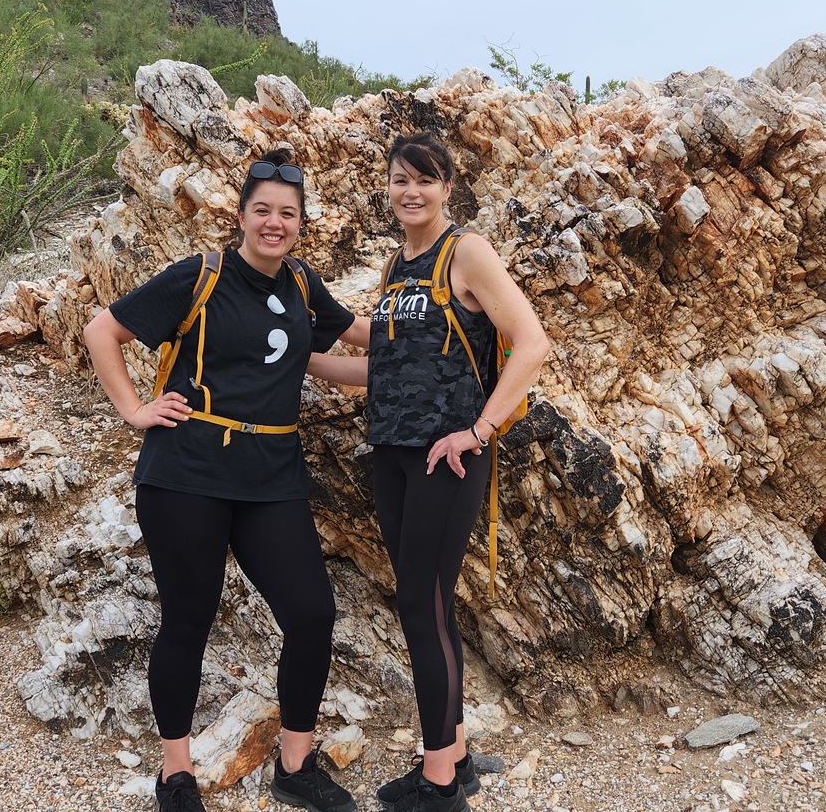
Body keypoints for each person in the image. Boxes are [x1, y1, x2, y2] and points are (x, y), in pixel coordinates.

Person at [83, 148, 369, 812]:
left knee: (312, 611)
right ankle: (176, 773)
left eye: (287, 214)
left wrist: (445, 347)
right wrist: (134, 409)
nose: (274, 222)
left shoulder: (301, 285)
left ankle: (295, 765)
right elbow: (103, 330)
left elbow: (352, 343)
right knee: (188, 617)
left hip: (270, 475)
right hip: (186, 471)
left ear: (301, 223)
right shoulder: (202, 275)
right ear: (241, 215)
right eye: (262, 210)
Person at [308, 132, 550, 812]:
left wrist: (478, 430)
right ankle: (458, 755)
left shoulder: (464, 252)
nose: (410, 191)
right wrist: (305, 354)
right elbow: (380, 363)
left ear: (448, 186)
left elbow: (532, 344)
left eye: (425, 179)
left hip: (449, 455)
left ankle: (439, 783)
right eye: (398, 180)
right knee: (432, 604)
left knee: (420, 603)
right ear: (386, 189)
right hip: (392, 450)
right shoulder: (398, 264)